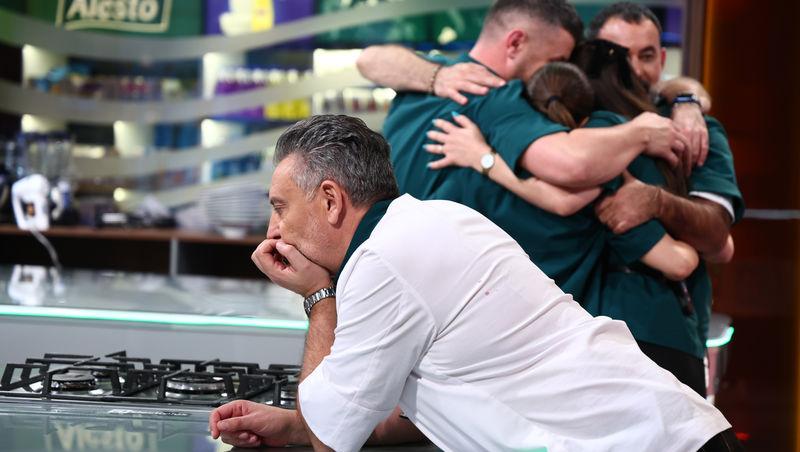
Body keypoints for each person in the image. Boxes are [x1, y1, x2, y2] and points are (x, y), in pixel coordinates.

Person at [208, 114, 741, 451]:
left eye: (280, 207)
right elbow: (422, 408)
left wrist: (318, 297)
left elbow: (332, 440)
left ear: (330, 200)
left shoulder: (382, 261)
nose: (273, 231)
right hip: (678, 432)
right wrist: (294, 426)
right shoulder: (440, 218)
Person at [356, 0, 692, 304]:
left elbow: (370, 59)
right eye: (555, 61)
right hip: (452, 300)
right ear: (515, 43)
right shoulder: (500, 97)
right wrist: (641, 133)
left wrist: (685, 94)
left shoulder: (418, 87)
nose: (556, 74)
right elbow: (572, 165)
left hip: (383, 279)